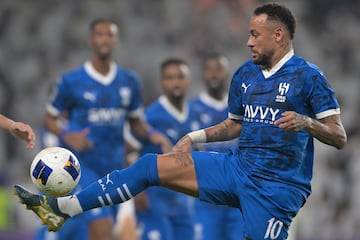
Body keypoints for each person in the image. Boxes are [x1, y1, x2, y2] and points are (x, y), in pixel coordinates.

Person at [14, 3, 347, 239]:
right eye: (248, 34)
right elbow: (235, 125)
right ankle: (63, 208)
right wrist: (195, 135)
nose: (248, 41)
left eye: (255, 35)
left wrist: (307, 123)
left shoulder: (309, 77)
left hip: (277, 189)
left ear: (278, 35)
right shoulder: (246, 74)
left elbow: (338, 135)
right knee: (148, 167)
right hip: (237, 169)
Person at [35, 18, 170, 240]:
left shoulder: (129, 81)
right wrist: (68, 135)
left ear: (116, 40)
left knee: (103, 230)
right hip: (83, 168)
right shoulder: (71, 81)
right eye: (99, 34)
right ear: (91, 40)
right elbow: (49, 119)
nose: (104, 39)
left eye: (109, 34)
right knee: (102, 228)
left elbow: (136, 124)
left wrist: (154, 135)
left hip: (114, 169)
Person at [126, 58, 201, 240]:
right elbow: (126, 151)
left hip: (182, 199)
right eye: (170, 78)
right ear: (162, 82)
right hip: (154, 199)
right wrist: (137, 191)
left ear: (188, 80)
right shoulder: (151, 116)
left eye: (180, 77)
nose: (175, 82)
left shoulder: (194, 114)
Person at [190, 52, 244, 240]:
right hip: (206, 201)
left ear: (227, 73)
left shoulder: (241, 108)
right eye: (209, 70)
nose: (214, 74)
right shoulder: (191, 110)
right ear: (203, 74)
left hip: (238, 199)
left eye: (218, 69)